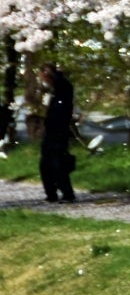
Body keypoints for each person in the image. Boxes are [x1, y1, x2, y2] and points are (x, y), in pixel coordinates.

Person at [38, 63, 77, 203]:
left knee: (58, 163)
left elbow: (61, 110)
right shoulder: (54, 91)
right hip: (51, 132)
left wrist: (54, 75)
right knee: (46, 164)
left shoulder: (63, 88)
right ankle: (51, 193)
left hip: (59, 132)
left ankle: (66, 193)